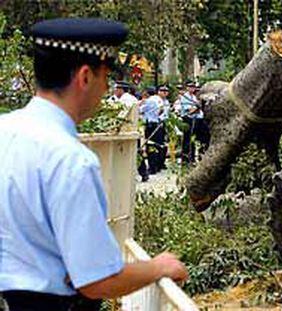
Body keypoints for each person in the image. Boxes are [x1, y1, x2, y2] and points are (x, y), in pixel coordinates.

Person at [0, 18, 187, 311]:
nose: (105, 88)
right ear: (85, 77)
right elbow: (97, 280)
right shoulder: (71, 160)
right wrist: (159, 267)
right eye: (105, 77)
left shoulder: (5, 131)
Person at [139, 86, 163, 174]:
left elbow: (139, 110)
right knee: (157, 146)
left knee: (150, 146)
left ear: (147, 93)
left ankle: (152, 168)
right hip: (157, 123)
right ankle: (157, 167)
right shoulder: (158, 99)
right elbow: (161, 110)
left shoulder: (149, 101)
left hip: (150, 125)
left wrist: (141, 102)